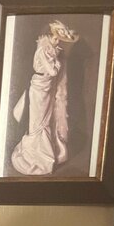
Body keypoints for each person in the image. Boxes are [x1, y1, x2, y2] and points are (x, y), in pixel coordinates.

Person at [11, 20, 79, 177]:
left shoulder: (54, 50)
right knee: (38, 123)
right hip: (39, 89)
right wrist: (56, 64)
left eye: (59, 39)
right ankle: (37, 158)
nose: (57, 41)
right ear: (49, 36)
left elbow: (54, 72)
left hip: (48, 88)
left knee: (46, 121)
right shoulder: (42, 50)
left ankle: (46, 156)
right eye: (55, 37)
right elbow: (53, 71)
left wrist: (56, 62)